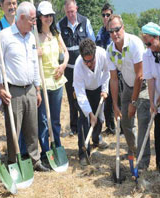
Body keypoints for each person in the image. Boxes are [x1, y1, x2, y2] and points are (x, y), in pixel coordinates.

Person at [0, 1, 49, 172]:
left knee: (32, 127)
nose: (35, 23)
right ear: (22, 18)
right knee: (13, 129)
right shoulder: (4, 36)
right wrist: (0, 88)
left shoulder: (31, 37)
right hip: (14, 91)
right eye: (32, 19)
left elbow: (34, 64)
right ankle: (12, 162)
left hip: (30, 89)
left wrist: (37, 88)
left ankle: (35, 160)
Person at [107, 15, 151, 171]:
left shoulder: (135, 44)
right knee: (125, 122)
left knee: (143, 122)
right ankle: (134, 151)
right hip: (127, 85)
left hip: (144, 86)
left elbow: (140, 75)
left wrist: (133, 103)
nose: (114, 34)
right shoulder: (110, 50)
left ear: (123, 27)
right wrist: (115, 105)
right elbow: (113, 79)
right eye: (111, 31)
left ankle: (143, 162)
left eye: (117, 29)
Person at [36, 1, 69, 162]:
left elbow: (66, 52)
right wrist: (36, 53)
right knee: (42, 119)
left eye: (50, 15)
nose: (48, 18)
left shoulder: (56, 34)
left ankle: (56, 145)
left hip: (57, 82)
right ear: (39, 17)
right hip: (43, 82)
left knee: (55, 118)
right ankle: (44, 151)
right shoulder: (35, 36)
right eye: (45, 16)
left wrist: (63, 66)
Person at [57, 0, 95, 136]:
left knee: (85, 95)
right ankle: (74, 127)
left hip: (84, 67)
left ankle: (88, 122)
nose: (70, 14)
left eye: (72, 11)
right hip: (69, 68)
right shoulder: (60, 25)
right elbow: (58, 47)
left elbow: (92, 41)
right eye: (68, 12)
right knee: (72, 97)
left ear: (76, 9)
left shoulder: (85, 22)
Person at [73, 38, 109, 166]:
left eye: (91, 60)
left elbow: (107, 72)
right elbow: (80, 94)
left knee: (99, 120)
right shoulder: (78, 65)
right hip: (85, 92)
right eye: (86, 61)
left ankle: (96, 139)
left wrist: (105, 89)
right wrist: (89, 114)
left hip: (98, 88)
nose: (89, 64)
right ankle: (84, 153)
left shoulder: (102, 54)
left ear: (95, 54)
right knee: (84, 122)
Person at [141, 22, 160, 173]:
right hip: (158, 100)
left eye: (150, 43)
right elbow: (150, 79)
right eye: (145, 44)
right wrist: (151, 102)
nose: (148, 46)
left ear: (158, 37)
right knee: (159, 132)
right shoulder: (147, 54)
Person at [95, 3, 116, 135]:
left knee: (115, 99)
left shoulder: (114, 31)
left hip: (115, 70)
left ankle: (115, 126)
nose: (106, 17)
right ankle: (108, 125)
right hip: (103, 70)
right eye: (103, 15)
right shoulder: (100, 32)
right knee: (105, 99)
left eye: (108, 15)